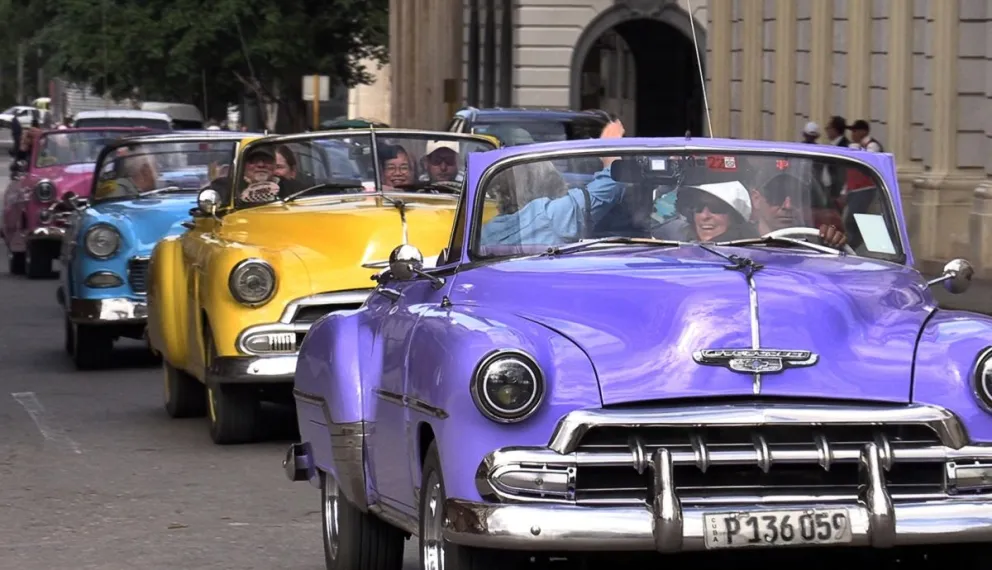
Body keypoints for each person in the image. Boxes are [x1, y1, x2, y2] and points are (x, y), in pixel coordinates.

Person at [479, 119, 626, 248]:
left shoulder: (487, 233)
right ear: (544, 181)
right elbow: (613, 181)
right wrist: (609, 147)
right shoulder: (552, 214)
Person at [749, 172, 847, 248]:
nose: (788, 206)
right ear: (756, 199)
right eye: (777, 195)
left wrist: (834, 242)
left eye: (797, 197)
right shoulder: (736, 241)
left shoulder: (816, 244)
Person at [675, 182, 756, 242]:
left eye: (716, 207)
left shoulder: (751, 256)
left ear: (735, 217)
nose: (704, 216)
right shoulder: (678, 253)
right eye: (698, 207)